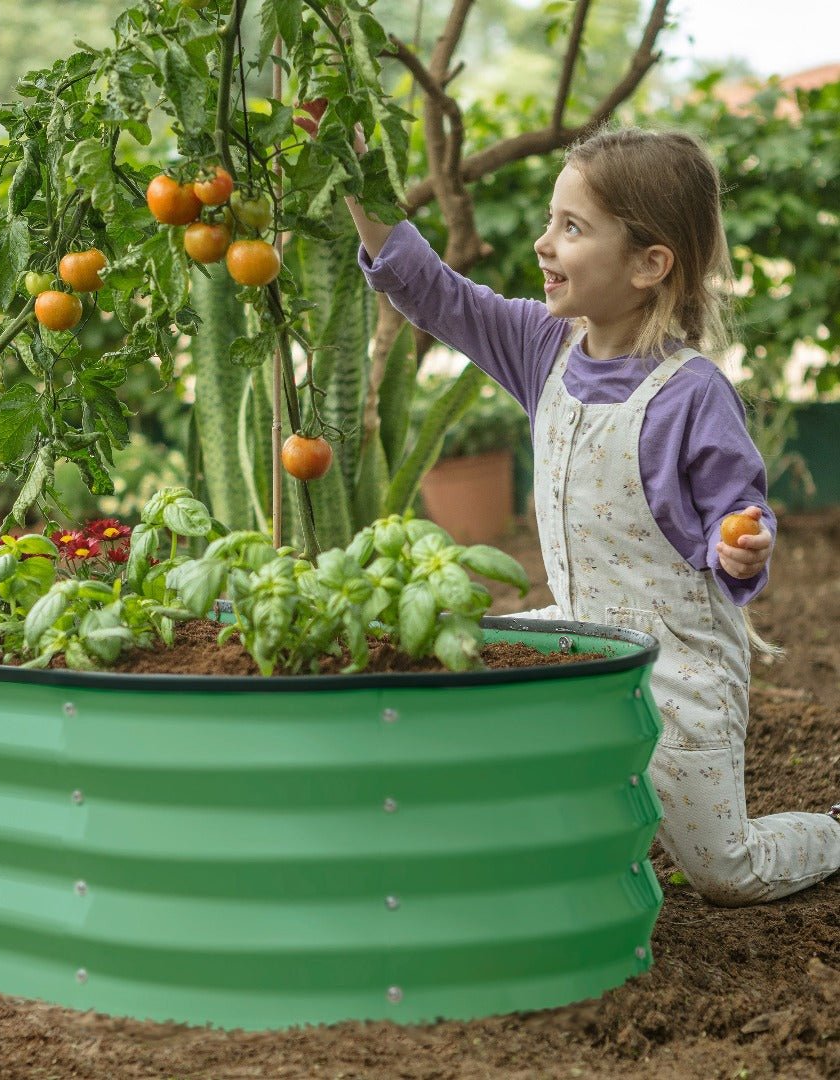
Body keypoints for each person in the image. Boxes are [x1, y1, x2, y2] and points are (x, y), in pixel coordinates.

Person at [347, 125, 840, 906]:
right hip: (582, 636)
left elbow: (737, 513)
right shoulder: (543, 347)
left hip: (677, 670)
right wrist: (354, 173)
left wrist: (741, 546)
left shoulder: (691, 393)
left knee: (724, 872)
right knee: (456, 664)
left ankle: (835, 828)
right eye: (551, 220)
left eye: (571, 228)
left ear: (650, 264)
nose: (544, 244)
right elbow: (434, 290)